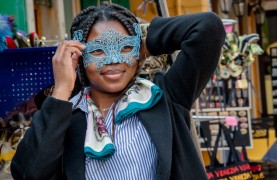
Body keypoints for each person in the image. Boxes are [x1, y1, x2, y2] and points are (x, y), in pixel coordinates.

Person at [10, 2, 225, 180]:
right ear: (80, 55)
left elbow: (207, 27)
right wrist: (62, 90)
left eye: (125, 47)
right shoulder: (65, 116)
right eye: (98, 50)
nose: (113, 60)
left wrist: (146, 42)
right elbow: (29, 174)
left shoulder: (163, 99)